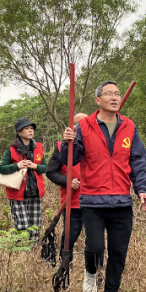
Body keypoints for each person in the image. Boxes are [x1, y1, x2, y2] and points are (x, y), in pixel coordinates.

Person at [62, 82, 146, 292]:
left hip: (121, 200)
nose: (114, 97)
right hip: (92, 200)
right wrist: (67, 141)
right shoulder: (84, 126)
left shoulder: (129, 126)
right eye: (109, 94)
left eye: (117, 94)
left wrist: (142, 188)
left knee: (118, 251)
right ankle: (90, 272)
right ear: (97, 100)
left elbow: (138, 160)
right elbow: (70, 160)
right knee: (95, 247)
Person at [46, 113, 102, 275]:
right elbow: (51, 172)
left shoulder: (98, 145)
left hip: (95, 202)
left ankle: (95, 273)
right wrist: (68, 181)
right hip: (73, 203)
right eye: (79, 124)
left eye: (86, 123)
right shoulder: (61, 147)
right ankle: (64, 267)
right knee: (69, 239)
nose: (83, 127)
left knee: (96, 242)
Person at [0, 118, 47, 240]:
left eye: (31, 128)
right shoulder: (11, 150)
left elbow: (45, 167)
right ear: (19, 132)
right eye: (27, 128)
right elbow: (1, 168)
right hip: (17, 193)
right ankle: (19, 251)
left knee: (35, 226)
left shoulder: (38, 147)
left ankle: (33, 252)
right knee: (22, 226)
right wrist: (17, 166)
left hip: (35, 192)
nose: (30, 131)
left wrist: (35, 166)